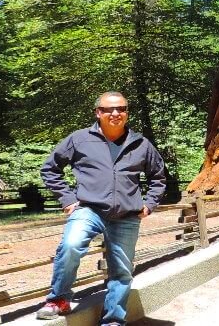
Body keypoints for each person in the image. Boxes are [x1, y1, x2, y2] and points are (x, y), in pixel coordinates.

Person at [36, 92, 168, 324]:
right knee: (70, 245)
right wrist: (67, 198)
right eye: (109, 109)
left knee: (122, 270)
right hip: (89, 209)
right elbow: (50, 169)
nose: (115, 113)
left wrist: (149, 204)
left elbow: (158, 177)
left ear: (127, 113)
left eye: (121, 108)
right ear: (98, 113)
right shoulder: (79, 139)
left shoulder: (141, 144)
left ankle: (113, 319)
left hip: (127, 215)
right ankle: (59, 299)